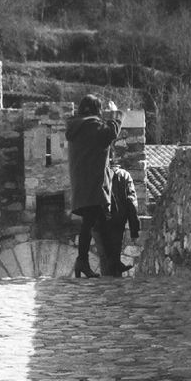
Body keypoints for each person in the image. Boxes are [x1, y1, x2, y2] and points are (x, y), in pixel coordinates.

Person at [65, 94, 122, 278]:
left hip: (83, 184)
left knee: (99, 222)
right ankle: (84, 261)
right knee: (91, 223)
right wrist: (114, 115)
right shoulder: (92, 126)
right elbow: (110, 133)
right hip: (93, 185)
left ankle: (110, 263)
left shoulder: (76, 127)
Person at [104, 160, 140, 277]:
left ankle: (111, 274)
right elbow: (131, 201)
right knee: (116, 244)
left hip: (103, 217)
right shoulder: (125, 175)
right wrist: (134, 228)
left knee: (106, 250)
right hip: (120, 217)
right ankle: (115, 273)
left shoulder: (101, 174)